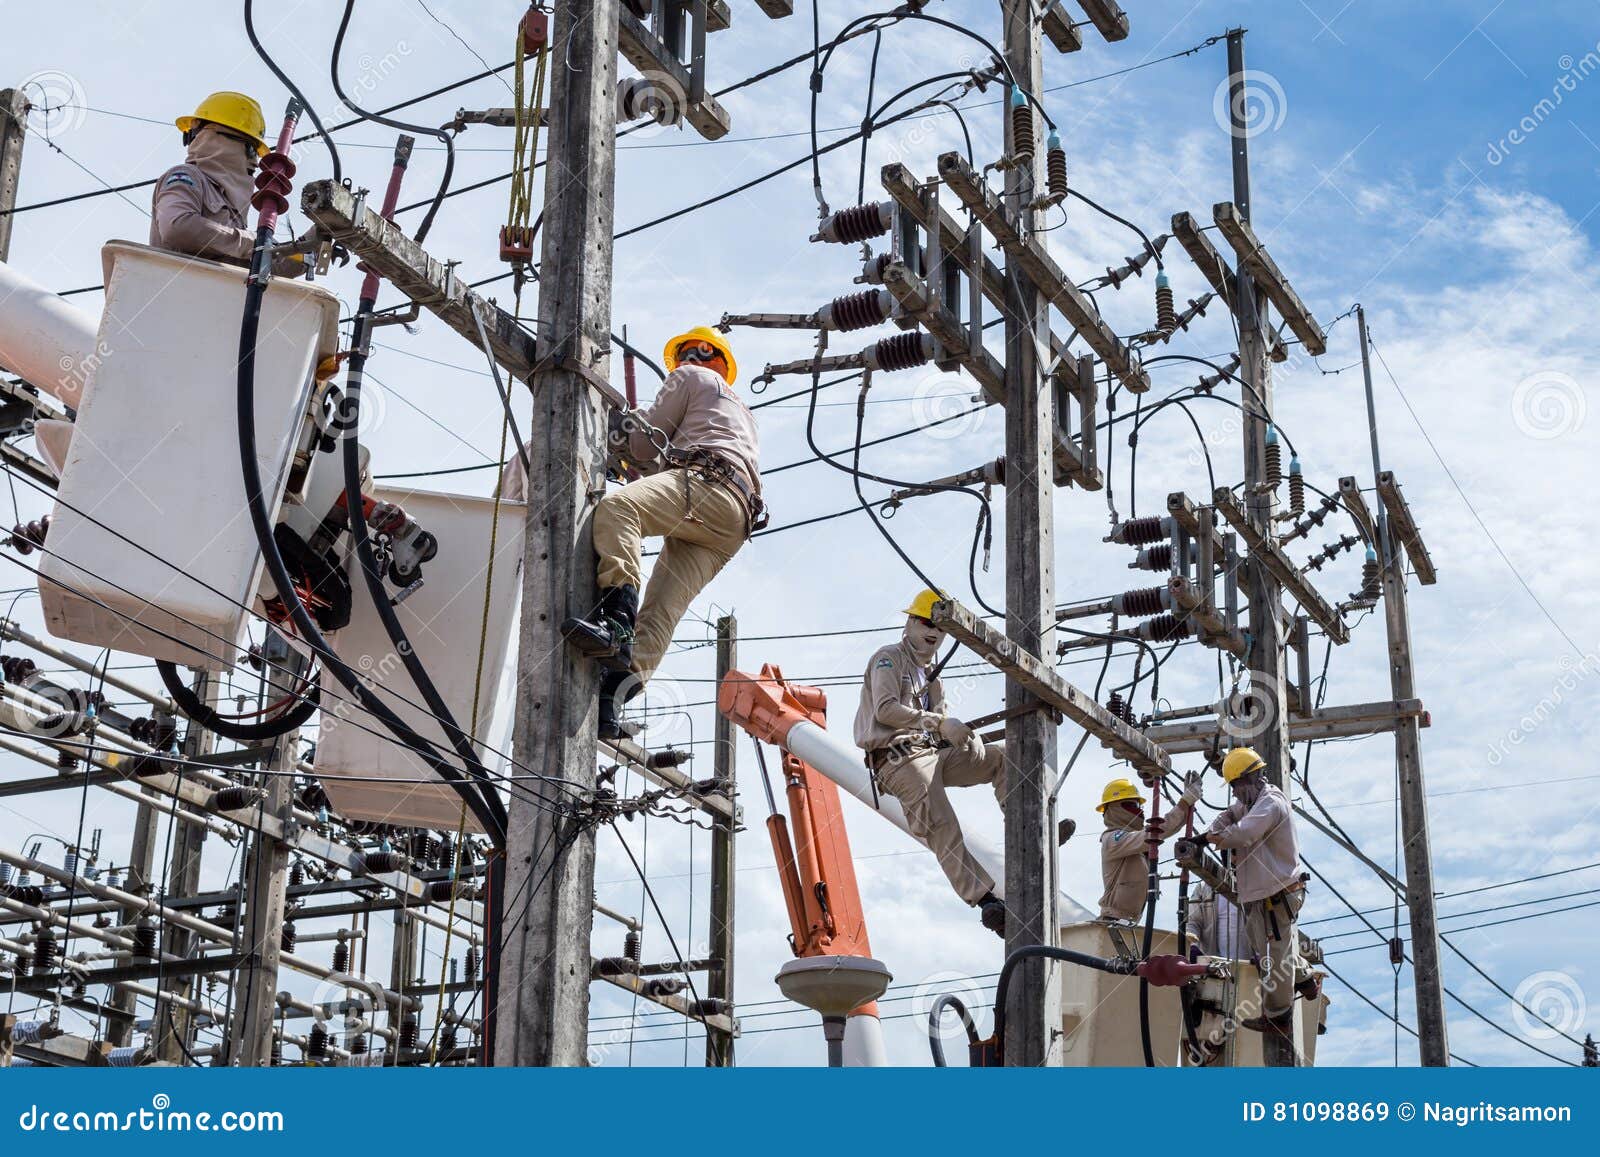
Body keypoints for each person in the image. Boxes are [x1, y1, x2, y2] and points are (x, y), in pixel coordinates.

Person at [563, 327, 762, 738]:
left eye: (688, 355)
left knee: (619, 509)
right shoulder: (742, 412)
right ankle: (609, 703)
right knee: (661, 614)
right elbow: (672, 460)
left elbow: (641, 447)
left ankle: (616, 619)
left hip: (706, 484)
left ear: (700, 356)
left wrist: (627, 430)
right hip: (734, 520)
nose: (684, 361)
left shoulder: (689, 377)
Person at [853, 589, 1021, 936]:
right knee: (942, 822)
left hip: (930, 752)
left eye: (941, 627)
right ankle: (986, 901)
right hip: (897, 760)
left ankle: (1023, 824)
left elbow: (941, 720)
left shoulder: (932, 676)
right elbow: (885, 710)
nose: (934, 632)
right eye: (927, 622)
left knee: (1000, 757)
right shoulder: (888, 659)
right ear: (910, 622)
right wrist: (939, 723)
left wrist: (963, 739)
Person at [1185, 746, 1317, 1040]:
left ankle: (1278, 1016)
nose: (1234, 793)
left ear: (1250, 779)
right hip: (1262, 896)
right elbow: (1228, 816)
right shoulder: (1248, 803)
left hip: (1278, 894)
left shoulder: (1270, 803)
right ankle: (1305, 978)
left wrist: (1209, 839)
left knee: (1275, 957)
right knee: (1267, 953)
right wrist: (1211, 831)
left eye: (1235, 785)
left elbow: (1243, 834)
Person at [150, 92, 308, 274]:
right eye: (252, 152)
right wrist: (249, 243)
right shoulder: (188, 177)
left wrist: (319, 238)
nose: (255, 162)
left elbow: (271, 265)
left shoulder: (234, 213)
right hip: (177, 297)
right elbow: (177, 227)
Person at [1095, 773, 1202, 922]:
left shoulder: (1133, 840)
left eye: (1139, 805)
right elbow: (1155, 833)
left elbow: (1165, 829)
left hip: (1129, 921)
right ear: (1114, 809)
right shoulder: (1112, 839)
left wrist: (1188, 804)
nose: (1140, 811)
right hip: (1113, 919)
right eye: (1133, 805)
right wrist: (1185, 801)